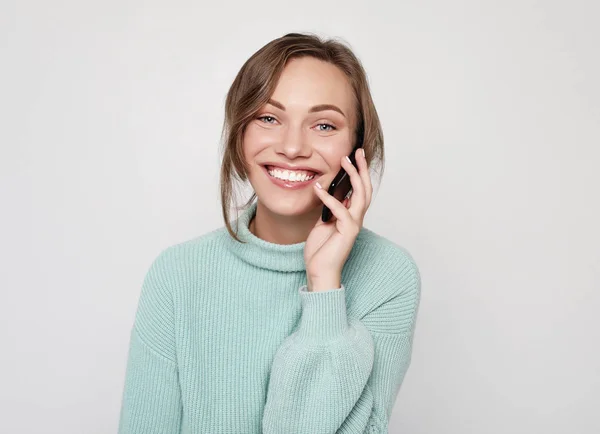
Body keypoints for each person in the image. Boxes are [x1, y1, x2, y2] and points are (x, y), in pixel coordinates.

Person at [117, 32, 421, 434]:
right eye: (269, 118)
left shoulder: (388, 275)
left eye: (324, 125)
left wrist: (325, 287)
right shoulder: (177, 274)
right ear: (240, 133)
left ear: (356, 148)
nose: (292, 147)